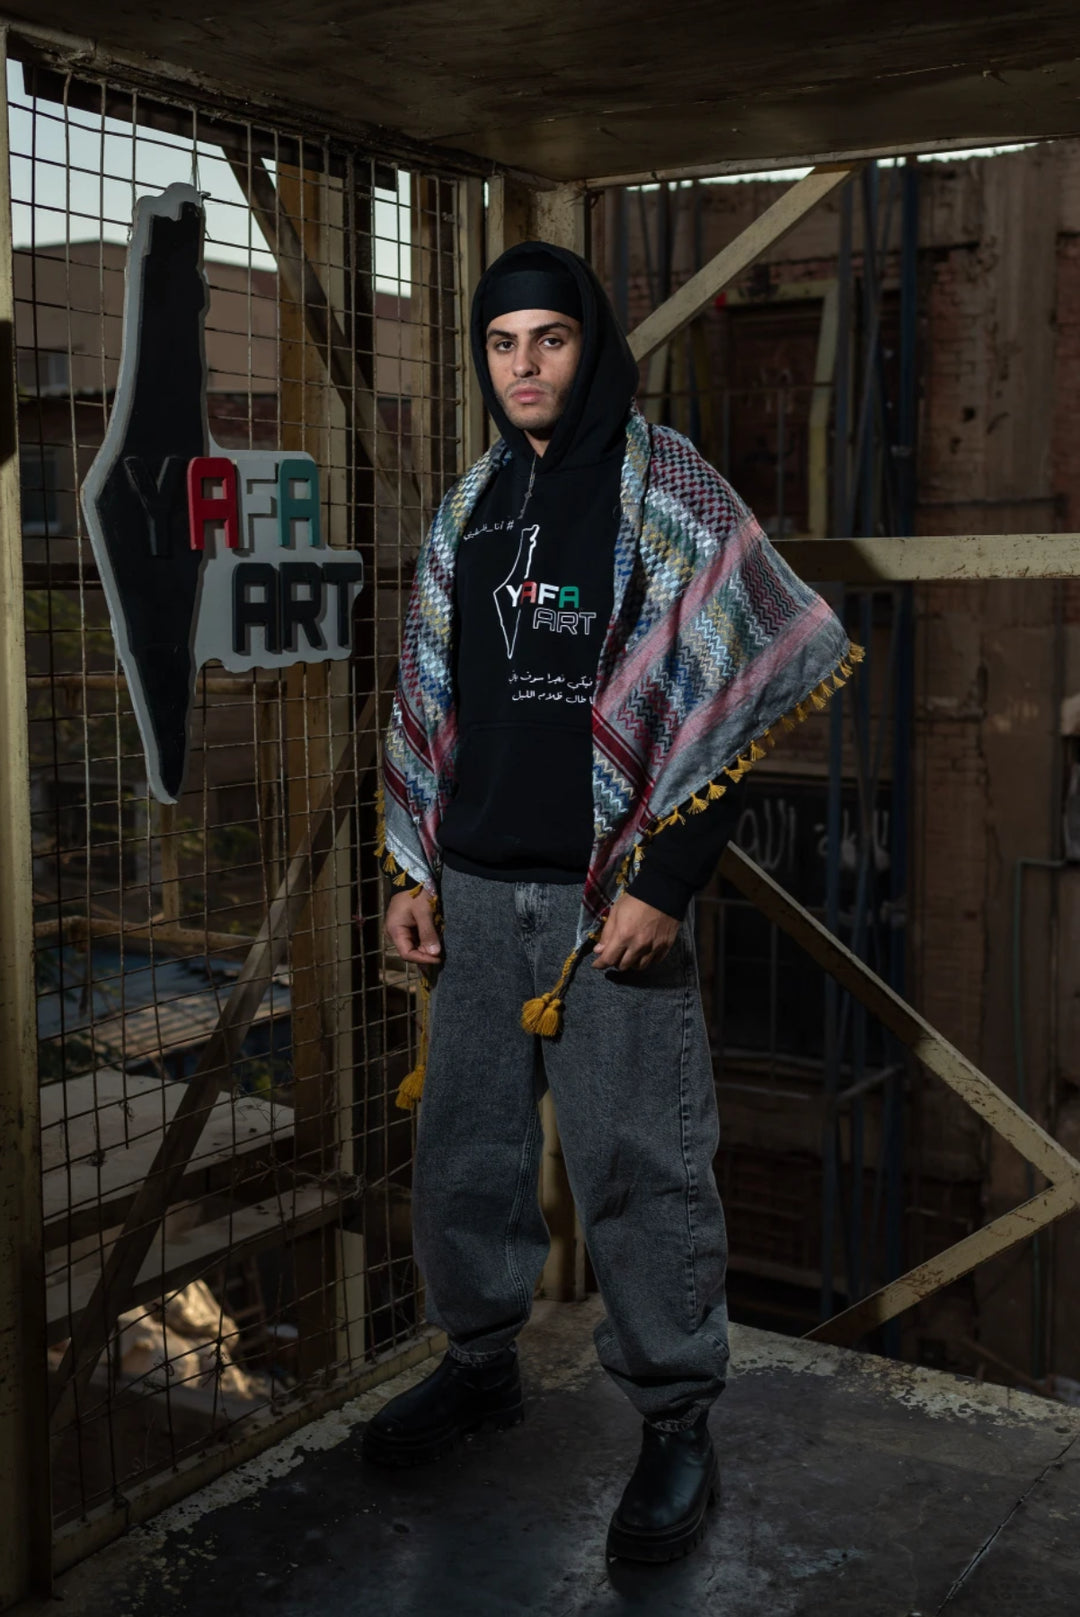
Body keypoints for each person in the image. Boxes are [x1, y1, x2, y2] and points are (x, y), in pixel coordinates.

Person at [364, 240, 858, 1565]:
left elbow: (742, 679)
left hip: (609, 908)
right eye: (501, 344)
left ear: (593, 347)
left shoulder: (666, 487)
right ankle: (479, 1365)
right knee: (464, 1149)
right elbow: (439, 702)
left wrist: (665, 880)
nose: (524, 367)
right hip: (474, 896)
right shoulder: (468, 506)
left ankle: (676, 1420)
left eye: (551, 339)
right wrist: (417, 869)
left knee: (643, 1164)